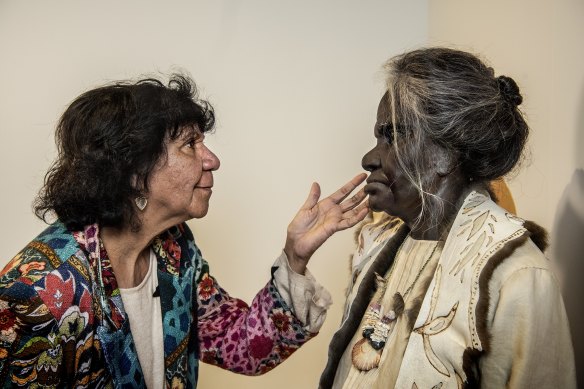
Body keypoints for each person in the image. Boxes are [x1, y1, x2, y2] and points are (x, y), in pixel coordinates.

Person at [0, 74, 369, 388]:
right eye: (190, 144)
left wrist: (295, 257)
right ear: (133, 171)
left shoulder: (175, 249)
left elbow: (238, 344)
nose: (212, 159)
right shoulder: (36, 294)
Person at [319, 47, 577, 388]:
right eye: (378, 137)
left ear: (444, 155)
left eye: (394, 135)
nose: (369, 158)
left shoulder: (518, 276)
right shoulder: (377, 247)